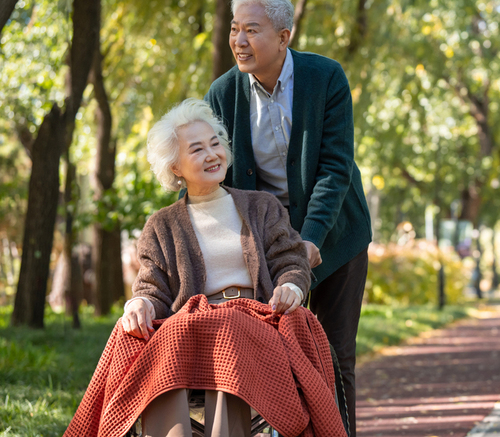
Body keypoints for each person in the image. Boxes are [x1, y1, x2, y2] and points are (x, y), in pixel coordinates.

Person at [65, 98, 347, 437]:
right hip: (190, 327)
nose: (212, 154)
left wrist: (292, 286)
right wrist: (138, 303)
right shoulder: (161, 225)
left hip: (254, 320)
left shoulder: (263, 207)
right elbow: (152, 288)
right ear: (175, 167)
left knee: (227, 330)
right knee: (150, 343)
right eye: (197, 149)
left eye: (216, 143)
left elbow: (290, 261)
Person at [204, 0, 372, 436]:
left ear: (284, 36)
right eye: (235, 30)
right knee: (272, 353)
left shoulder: (326, 78)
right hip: (267, 242)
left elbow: (335, 168)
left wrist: (312, 238)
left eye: (251, 30)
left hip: (335, 234)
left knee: (335, 352)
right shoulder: (223, 93)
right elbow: (214, 174)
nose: (239, 41)